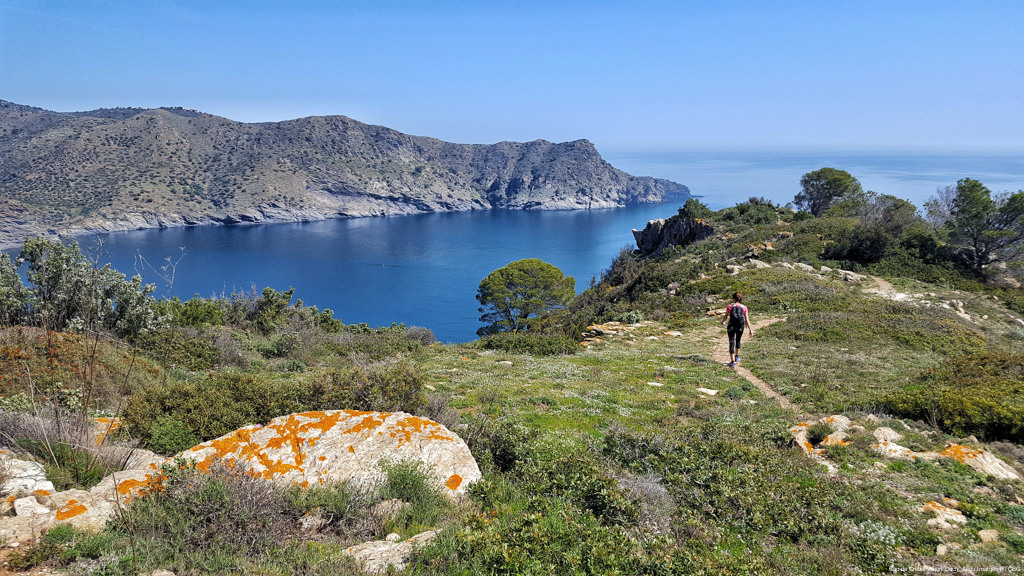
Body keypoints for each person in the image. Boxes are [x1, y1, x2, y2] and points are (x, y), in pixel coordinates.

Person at [722, 292, 752, 368]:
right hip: (740, 326)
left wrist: (723, 321)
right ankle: (737, 357)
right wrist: (750, 330)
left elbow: (726, 316)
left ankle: (732, 362)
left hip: (731, 326)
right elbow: (747, 319)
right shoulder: (744, 307)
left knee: (731, 341)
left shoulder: (730, 306)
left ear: (733, 299)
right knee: (738, 340)